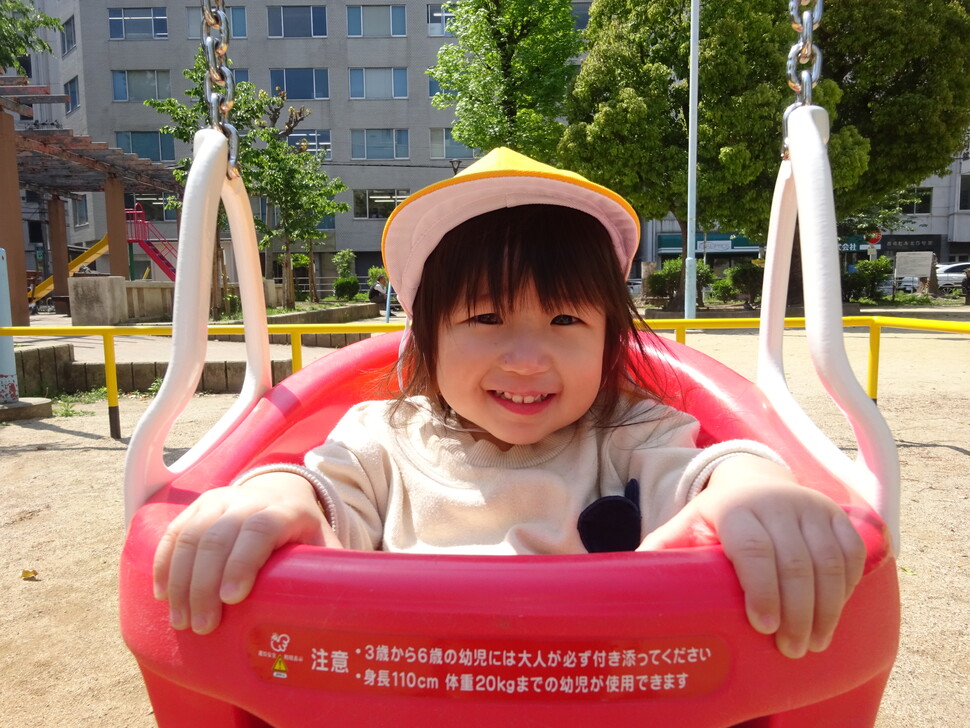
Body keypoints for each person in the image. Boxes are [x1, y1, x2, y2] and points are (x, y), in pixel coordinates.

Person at [154, 148, 865, 661]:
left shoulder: (627, 433)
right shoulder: (385, 439)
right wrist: (275, 495)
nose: (527, 359)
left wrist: (752, 486)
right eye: (487, 318)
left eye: (565, 320)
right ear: (427, 338)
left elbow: (704, 471)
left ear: (609, 339)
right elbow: (323, 491)